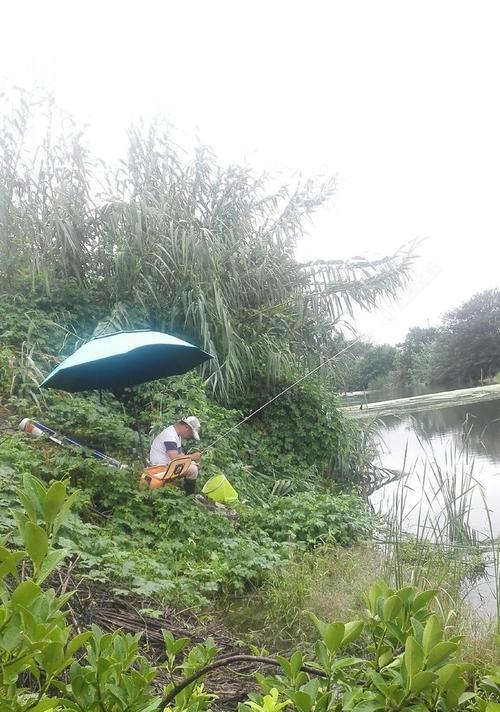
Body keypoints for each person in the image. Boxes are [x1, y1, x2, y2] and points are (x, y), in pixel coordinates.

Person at [149, 416, 202, 494]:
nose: (190, 436)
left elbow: (180, 454)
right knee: (193, 470)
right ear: (186, 428)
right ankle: (189, 497)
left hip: (168, 465)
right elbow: (175, 458)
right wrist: (192, 457)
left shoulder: (175, 434)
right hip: (160, 467)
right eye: (191, 433)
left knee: (193, 465)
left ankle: (185, 493)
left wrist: (190, 462)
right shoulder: (170, 435)